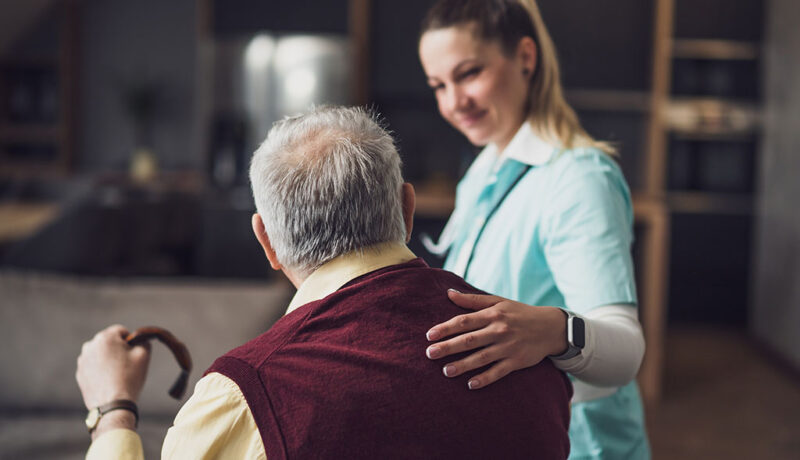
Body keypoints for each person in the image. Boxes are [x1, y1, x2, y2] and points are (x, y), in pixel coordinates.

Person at [76, 106, 573, 459]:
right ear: (406, 207)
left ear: (266, 242)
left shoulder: (242, 399)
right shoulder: (526, 352)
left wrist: (113, 411)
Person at [417, 1, 650, 458]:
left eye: (468, 74)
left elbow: (626, 352)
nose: (452, 102)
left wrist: (555, 330)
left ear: (525, 57)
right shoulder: (485, 168)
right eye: (438, 85)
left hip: (578, 442)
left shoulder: (579, 177)